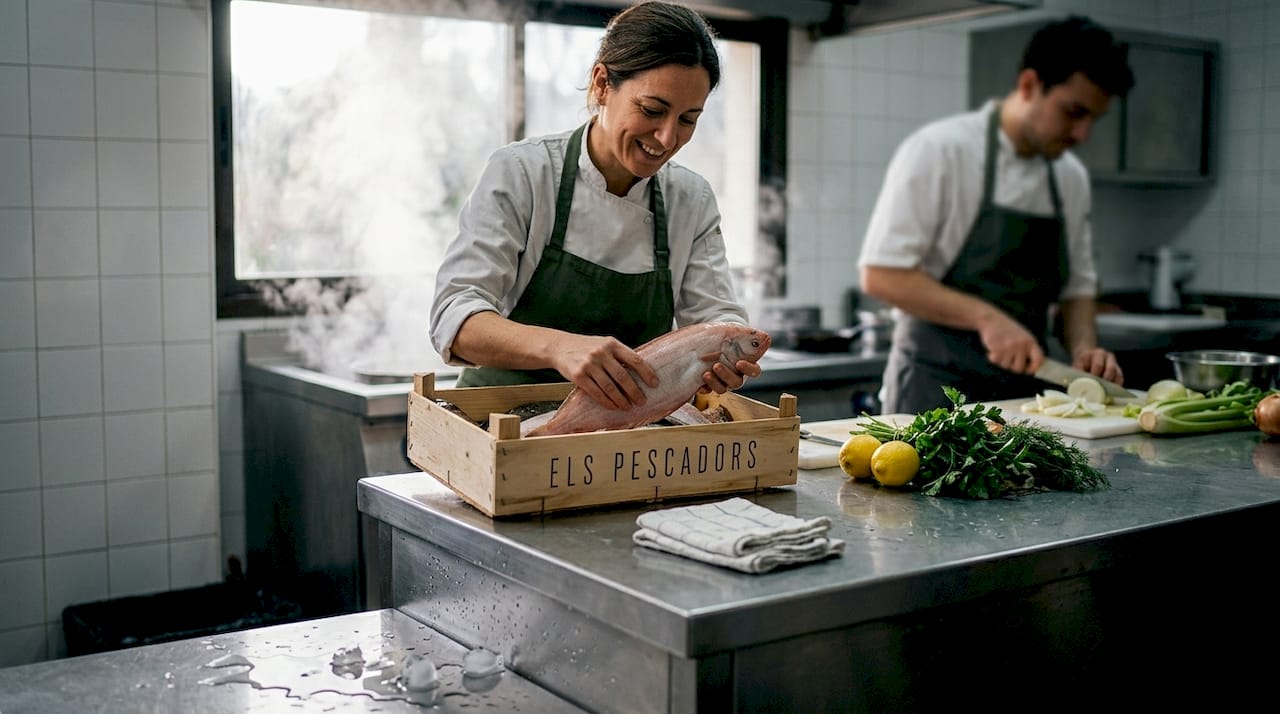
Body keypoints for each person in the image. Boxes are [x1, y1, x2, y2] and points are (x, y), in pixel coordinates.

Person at [430, 0, 758, 411]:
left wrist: (731, 355)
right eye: (652, 110)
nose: (667, 138)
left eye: (688, 119)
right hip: (495, 428)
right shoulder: (523, 173)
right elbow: (454, 317)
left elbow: (717, 317)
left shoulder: (690, 200)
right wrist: (559, 348)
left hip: (616, 440)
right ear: (602, 84)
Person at [858, 15, 1135, 414]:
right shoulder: (942, 150)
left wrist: (1085, 348)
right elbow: (882, 274)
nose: (1083, 134)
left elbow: (1077, 290)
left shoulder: (1069, 177)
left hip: (1027, 399)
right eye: (1074, 112)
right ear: (1029, 85)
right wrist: (987, 318)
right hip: (934, 392)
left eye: (1094, 118)